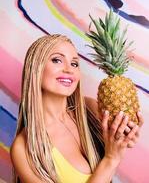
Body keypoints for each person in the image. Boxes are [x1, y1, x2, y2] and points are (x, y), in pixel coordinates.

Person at [10, 34, 143, 183]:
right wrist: (111, 159)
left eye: (74, 64)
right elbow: (112, 158)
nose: (69, 69)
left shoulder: (91, 109)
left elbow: (121, 142)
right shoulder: (24, 148)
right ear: (35, 68)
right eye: (57, 60)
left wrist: (125, 136)